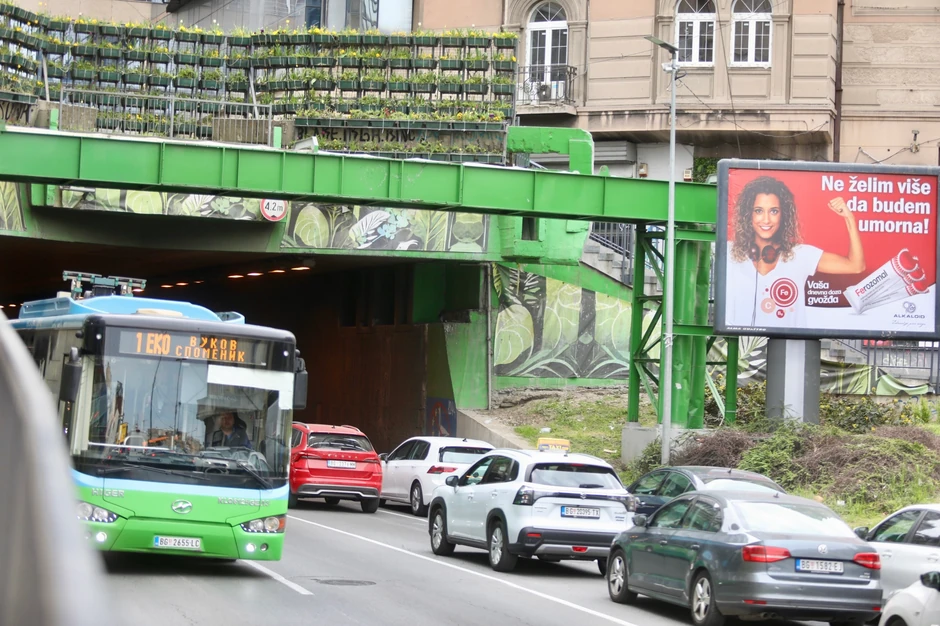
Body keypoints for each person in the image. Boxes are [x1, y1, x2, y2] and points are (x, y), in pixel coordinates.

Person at [725, 175, 865, 328]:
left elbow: (855, 266)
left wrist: (849, 218)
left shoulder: (800, 255)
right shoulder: (730, 251)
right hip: (740, 348)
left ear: (783, 215)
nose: (766, 219)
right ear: (748, 215)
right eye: (758, 211)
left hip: (788, 348)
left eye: (773, 211)